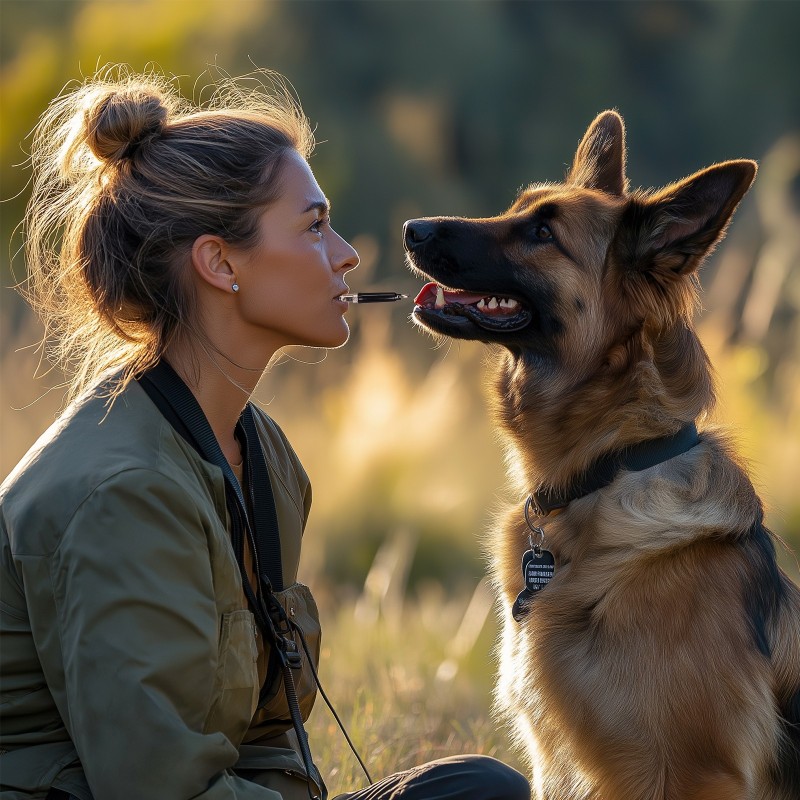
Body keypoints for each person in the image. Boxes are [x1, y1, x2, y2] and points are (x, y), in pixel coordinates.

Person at [0, 67, 530, 800]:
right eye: (314, 226)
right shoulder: (122, 492)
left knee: (480, 790)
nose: (346, 254)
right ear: (220, 263)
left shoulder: (261, 454)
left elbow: (264, 743)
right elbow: (158, 792)